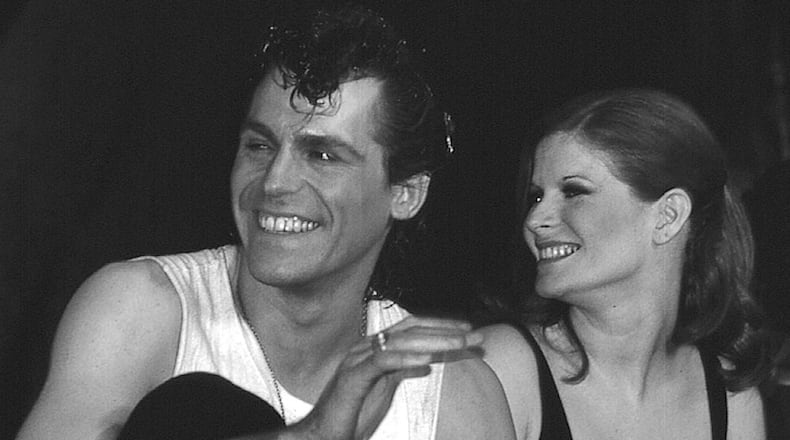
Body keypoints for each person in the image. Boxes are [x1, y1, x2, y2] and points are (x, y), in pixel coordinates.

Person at [16, 4, 514, 440]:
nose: (273, 182)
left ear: (404, 193)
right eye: (260, 145)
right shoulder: (143, 309)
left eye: (322, 154)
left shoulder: (452, 391)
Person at [481, 89, 771, 440]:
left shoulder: (729, 396)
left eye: (573, 192)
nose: (535, 218)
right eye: (536, 196)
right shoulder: (503, 367)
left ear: (668, 216)